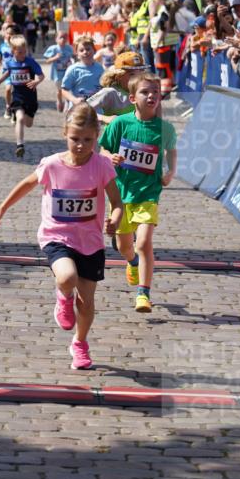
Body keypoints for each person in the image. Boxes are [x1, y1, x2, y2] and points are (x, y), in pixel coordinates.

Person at [0, 104, 122, 370]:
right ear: (64, 134)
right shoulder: (52, 165)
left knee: (87, 303)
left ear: (97, 136)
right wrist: (2, 207)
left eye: (88, 140)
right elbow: (27, 184)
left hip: (91, 242)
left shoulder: (102, 165)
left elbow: (117, 203)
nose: (81, 146)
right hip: (57, 236)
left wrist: (114, 219)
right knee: (66, 277)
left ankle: (80, 343)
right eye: (75, 139)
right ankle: (63, 296)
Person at [99, 72, 177, 313]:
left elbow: (171, 151)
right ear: (132, 98)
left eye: (155, 92)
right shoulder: (120, 124)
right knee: (124, 246)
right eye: (145, 92)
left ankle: (143, 294)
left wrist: (170, 172)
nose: (151, 95)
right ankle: (132, 262)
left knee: (143, 242)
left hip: (148, 193)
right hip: (121, 195)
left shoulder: (165, 128)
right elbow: (103, 149)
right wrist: (110, 157)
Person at [0, 34, 44, 158]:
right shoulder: (10, 63)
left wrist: (37, 81)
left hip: (30, 97)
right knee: (19, 118)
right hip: (18, 96)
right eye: (20, 52)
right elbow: (8, 73)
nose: (23, 54)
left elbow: (41, 75)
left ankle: (25, 118)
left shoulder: (30, 62)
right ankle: (20, 145)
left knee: (28, 123)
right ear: (13, 51)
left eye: (24, 52)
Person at [61, 38, 104, 111]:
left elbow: (103, 87)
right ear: (77, 54)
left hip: (96, 109)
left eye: (88, 49)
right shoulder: (73, 69)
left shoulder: (100, 68)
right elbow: (64, 90)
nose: (85, 52)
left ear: (94, 50)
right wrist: (74, 99)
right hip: (78, 109)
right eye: (81, 50)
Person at [43, 30, 74, 113]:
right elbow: (47, 61)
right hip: (57, 73)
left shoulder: (69, 48)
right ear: (56, 39)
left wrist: (71, 62)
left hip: (67, 73)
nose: (63, 39)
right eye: (61, 37)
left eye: (65, 37)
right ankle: (59, 101)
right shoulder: (53, 49)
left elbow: (73, 57)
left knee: (67, 89)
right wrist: (55, 58)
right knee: (59, 90)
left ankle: (67, 104)